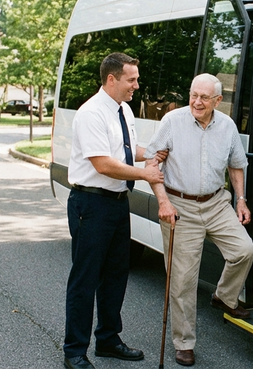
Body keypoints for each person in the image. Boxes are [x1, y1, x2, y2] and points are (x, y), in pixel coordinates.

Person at [63, 53, 165, 369]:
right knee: (85, 280)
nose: (137, 85)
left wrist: (153, 153)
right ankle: (74, 352)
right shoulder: (91, 113)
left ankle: (108, 340)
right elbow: (104, 164)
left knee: (116, 277)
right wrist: (147, 174)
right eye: (131, 79)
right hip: (90, 206)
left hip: (118, 205)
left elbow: (124, 151)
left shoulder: (124, 110)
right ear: (112, 79)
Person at [147, 73, 253, 367]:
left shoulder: (228, 126)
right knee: (182, 281)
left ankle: (224, 296)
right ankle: (184, 343)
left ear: (217, 101)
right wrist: (164, 201)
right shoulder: (173, 121)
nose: (196, 101)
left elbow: (236, 166)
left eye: (204, 97)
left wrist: (240, 200)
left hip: (216, 202)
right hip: (180, 204)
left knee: (244, 251)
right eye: (193, 95)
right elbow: (151, 162)